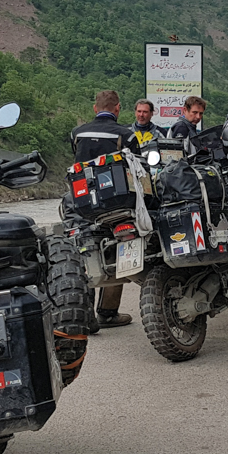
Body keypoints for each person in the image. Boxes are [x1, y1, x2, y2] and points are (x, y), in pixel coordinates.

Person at [69, 91, 134, 328]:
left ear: (95, 108)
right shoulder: (126, 135)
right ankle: (107, 313)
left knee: (82, 250)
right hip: (115, 202)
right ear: (118, 108)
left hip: (80, 200)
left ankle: (85, 316)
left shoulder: (77, 133)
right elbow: (135, 166)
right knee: (118, 249)